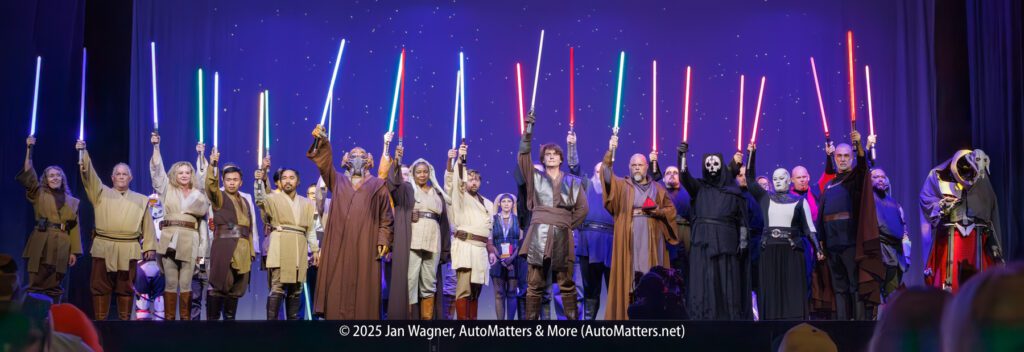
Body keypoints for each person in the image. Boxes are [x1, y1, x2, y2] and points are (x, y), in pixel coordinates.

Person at [307, 125, 393, 319]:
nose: (357, 157)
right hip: (340, 241)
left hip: (366, 241)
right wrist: (323, 141)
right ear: (345, 159)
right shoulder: (337, 180)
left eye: (362, 154)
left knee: (364, 283)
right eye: (353, 154)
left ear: (369, 160)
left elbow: (386, 217)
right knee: (337, 280)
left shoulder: (378, 185)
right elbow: (324, 164)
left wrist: (384, 239)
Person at [517, 112, 588, 320]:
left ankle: (573, 328)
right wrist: (528, 132)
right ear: (543, 158)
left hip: (562, 234)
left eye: (555, 154)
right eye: (547, 154)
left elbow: (583, 209)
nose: (551, 156)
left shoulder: (573, 182)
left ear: (561, 158)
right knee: (535, 282)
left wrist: (564, 223)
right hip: (539, 232)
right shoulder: (535, 177)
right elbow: (523, 158)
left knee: (566, 282)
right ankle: (530, 327)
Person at [600, 135, 679, 320]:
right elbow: (605, 173)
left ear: (646, 167)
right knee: (630, 278)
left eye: (640, 165)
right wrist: (611, 152)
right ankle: (629, 318)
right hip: (629, 237)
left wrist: (657, 211)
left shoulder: (658, 188)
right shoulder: (622, 186)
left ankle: (652, 317)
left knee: (652, 278)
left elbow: (671, 211)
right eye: (634, 165)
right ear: (629, 167)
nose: (637, 168)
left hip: (652, 238)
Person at [79, 139, 156, 321]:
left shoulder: (141, 199)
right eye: (118, 174)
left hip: (128, 248)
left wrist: (150, 247)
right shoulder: (100, 193)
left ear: (130, 178)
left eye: (124, 174)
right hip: (103, 246)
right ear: (112, 178)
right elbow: (89, 175)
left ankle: (124, 325)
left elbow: (148, 224)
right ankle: (100, 324)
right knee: (99, 286)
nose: (121, 177)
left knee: (126, 287)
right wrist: (83, 153)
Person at [744, 143, 822, 320]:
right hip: (769, 250)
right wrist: (752, 155)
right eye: (775, 178)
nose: (778, 181)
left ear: (789, 181)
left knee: (793, 290)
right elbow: (749, 179)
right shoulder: (765, 198)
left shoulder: (800, 201)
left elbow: (810, 228)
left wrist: (818, 248)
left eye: (782, 178)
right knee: (771, 290)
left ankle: (794, 325)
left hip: (793, 251)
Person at [676, 141, 747, 320]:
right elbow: (684, 176)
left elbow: (743, 221)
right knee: (703, 279)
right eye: (708, 164)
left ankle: (728, 318)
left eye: (715, 163)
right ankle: (702, 317)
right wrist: (682, 157)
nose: (712, 167)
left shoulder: (733, 192)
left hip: (726, 242)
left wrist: (743, 241)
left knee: (726, 280)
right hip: (703, 242)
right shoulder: (699, 188)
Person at [384, 134, 451, 320]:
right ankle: (410, 324)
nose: (422, 175)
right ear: (413, 174)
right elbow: (392, 184)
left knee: (429, 283)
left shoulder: (437, 193)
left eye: (425, 172)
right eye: (418, 172)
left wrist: (446, 249)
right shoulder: (407, 189)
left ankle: (426, 324)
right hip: (414, 240)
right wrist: (397, 160)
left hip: (433, 240)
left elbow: (444, 220)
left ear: (430, 173)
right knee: (411, 281)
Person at [817, 131, 881, 320]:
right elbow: (821, 215)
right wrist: (821, 240)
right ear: (834, 157)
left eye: (846, 156)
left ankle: (858, 326)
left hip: (850, 242)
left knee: (854, 285)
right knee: (839, 287)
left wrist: (860, 144)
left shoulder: (854, 179)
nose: (842, 159)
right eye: (839, 156)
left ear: (851, 158)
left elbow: (863, 167)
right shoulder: (829, 185)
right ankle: (842, 325)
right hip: (831, 243)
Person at [920, 149, 1002, 293]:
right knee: (948, 278)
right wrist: (941, 205)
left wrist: (994, 245)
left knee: (979, 280)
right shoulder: (938, 175)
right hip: (950, 236)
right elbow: (926, 199)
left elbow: (990, 207)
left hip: (976, 237)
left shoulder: (981, 178)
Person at [149, 132, 209, 320]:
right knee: (170, 283)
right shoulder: (168, 190)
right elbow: (158, 173)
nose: (184, 175)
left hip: (190, 240)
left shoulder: (199, 194)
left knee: (186, 285)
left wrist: (200, 156)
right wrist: (156, 147)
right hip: (169, 241)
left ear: (192, 175)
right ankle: (169, 325)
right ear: (174, 175)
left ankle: (185, 325)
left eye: (187, 172)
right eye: (180, 172)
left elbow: (204, 175)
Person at [16, 137, 81, 305]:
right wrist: (29, 150)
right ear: (45, 178)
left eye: (58, 175)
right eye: (51, 175)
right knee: (36, 283)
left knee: (55, 285)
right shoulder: (39, 194)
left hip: (61, 244)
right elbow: (29, 174)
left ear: (62, 178)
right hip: (41, 240)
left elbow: (74, 228)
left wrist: (74, 251)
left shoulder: (72, 201)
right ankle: (33, 323)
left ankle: (53, 321)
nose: (55, 178)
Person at [254, 160, 320, 320]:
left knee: (296, 289)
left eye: (291, 178)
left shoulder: (307, 203)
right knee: (278, 286)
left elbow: (310, 229)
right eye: (284, 178)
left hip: (299, 245)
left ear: (298, 182)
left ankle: (292, 327)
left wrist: (315, 249)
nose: (288, 180)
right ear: (280, 181)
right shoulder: (272, 199)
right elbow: (260, 199)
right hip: (280, 243)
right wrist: (259, 180)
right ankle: (272, 325)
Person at [203, 148, 258, 320]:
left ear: (241, 182)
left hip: (242, 248)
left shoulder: (245, 200)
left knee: (235, 290)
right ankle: (212, 327)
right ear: (223, 181)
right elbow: (210, 187)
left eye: (235, 180)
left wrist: (251, 250)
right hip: (225, 247)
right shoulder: (219, 197)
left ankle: (229, 328)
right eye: (228, 180)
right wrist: (213, 165)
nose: (232, 183)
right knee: (219, 286)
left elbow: (248, 228)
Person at [445, 143, 497, 320]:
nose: (473, 182)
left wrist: (491, 250)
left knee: (476, 290)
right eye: (470, 179)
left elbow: (489, 231)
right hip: (465, 247)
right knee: (464, 289)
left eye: (476, 179)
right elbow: (456, 182)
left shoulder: (488, 203)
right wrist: (461, 159)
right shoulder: (460, 197)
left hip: (480, 250)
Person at [566, 132, 615, 320]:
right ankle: (588, 326)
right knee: (590, 289)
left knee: (614, 286)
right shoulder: (585, 184)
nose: (600, 174)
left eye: (604, 171)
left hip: (610, 241)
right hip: (588, 242)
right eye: (597, 171)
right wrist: (572, 146)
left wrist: (612, 149)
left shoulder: (615, 189)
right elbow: (574, 168)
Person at [790, 164, 835, 320]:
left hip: (816, 242)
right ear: (792, 180)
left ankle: (816, 314)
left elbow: (829, 175)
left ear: (809, 177)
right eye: (799, 178)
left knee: (818, 280)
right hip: (796, 243)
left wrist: (829, 156)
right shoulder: (787, 196)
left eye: (804, 177)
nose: (802, 180)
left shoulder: (815, 191)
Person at [869, 168, 910, 303]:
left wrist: (907, 255)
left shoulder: (895, 204)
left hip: (895, 254)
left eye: (883, 177)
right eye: (876, 177)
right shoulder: (867, 203)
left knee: (892, 296)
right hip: (877, 253)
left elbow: (904, 230)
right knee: (872, 297)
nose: (880, 179)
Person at [490, 193, 520, 320]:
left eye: (509, 201)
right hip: (497, 260)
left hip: (514, 260)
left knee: (512, 292)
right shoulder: (493, 219)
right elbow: (490, 240)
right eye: (504, 201)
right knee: (499, 293)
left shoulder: (518, 219)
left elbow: (521, 240)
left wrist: (511, 258)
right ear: (499, 204)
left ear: (513, 204)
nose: (506, 203)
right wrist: (501, 258)